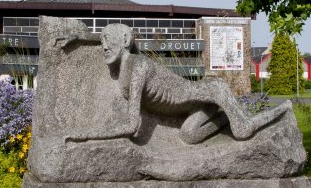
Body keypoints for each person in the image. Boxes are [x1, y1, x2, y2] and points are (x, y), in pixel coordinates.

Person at [67, 23, 291, 144]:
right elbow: (115, 42)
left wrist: (86, 135)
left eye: (108, 40)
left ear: (125, 40)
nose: (104, 46)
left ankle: (281, 111)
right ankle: (222, 118)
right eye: (102, 40)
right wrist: (81, 37)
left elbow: (130, 126)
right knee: (189, 135)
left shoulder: (139, 67)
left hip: (212, 91)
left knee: (242, 132)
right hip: (197, 107)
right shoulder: (125, 64)